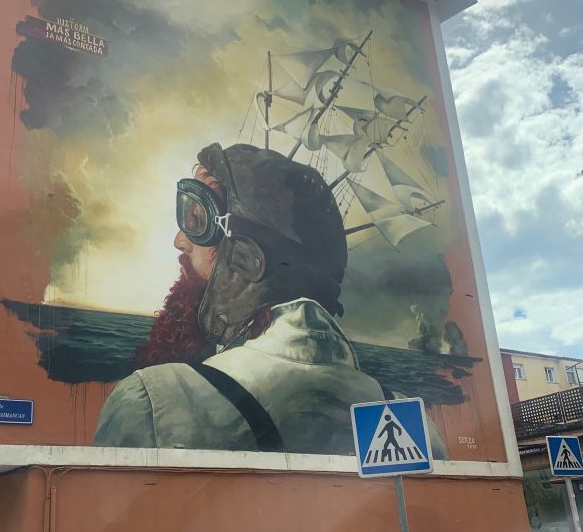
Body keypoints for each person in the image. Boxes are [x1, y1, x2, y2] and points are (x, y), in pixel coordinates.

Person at [94, 142, 449, 456]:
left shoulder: (152, 405)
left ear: (246, 260)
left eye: (196, 219)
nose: (179, 241)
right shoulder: (416, 428)